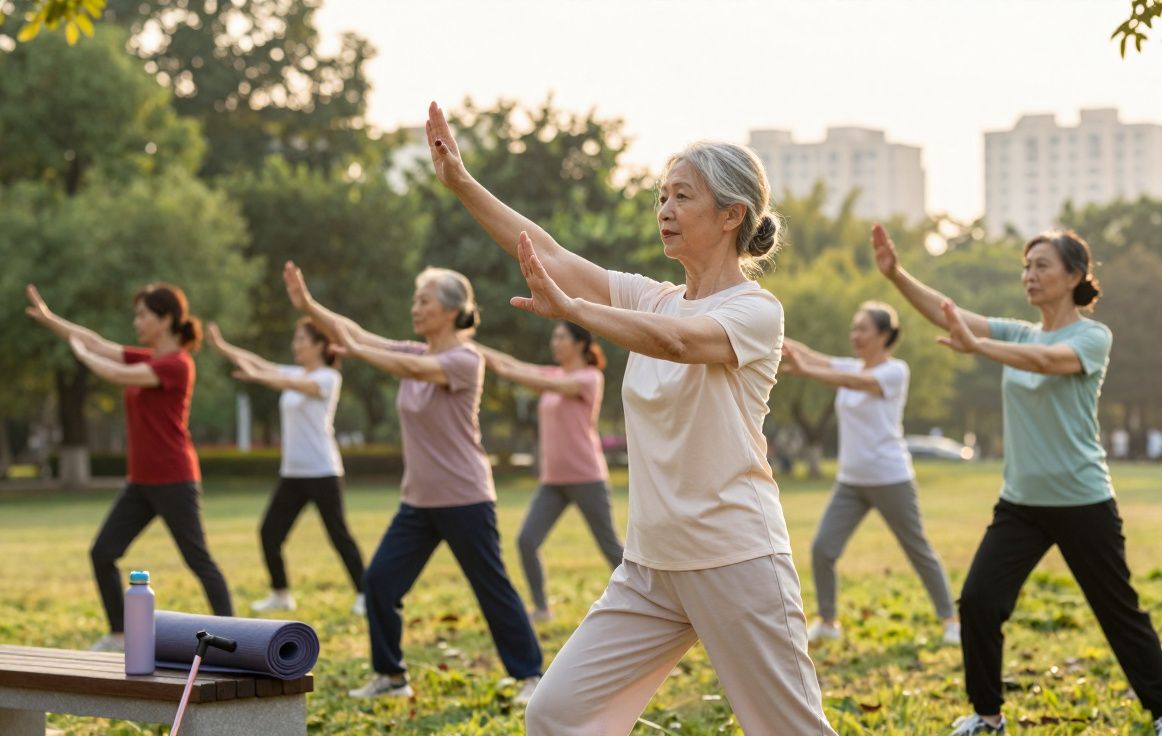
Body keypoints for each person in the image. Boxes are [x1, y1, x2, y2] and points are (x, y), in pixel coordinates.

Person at [424, 101, 837, 735]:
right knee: (557, 715)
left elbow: (676, 344)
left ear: (733, 216)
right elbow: (551, 256)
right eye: (662, 196)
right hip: (651, 565)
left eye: (683, 196)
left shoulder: (756, 311)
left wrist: (576, 311)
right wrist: (461, 184)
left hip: (735, 558)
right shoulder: (653, 297)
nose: (665, 210)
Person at [868, 225, 1162, 736]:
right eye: (1026, 266)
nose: (1029, 275)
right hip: (1022, 504)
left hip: (1083, 500)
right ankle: (988, 715)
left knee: (1118, 611)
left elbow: (1046, 362)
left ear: (1074, 276)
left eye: (1042, 266)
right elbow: (949, 312)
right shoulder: (1017, 332)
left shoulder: (1091, 336)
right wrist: (896, 274)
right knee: (979, 602)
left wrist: (979, 348)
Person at [281, 261, 542, 704]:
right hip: (418, 502)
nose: (415, 308)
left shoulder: (465, 359)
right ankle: (391, 676)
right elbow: (356, 333)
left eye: (424, 301)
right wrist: (308, 305)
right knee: (380, 582)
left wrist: (358, 350)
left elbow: (407, 369)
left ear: (450, 310)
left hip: (465, 498)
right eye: (415, 300)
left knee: (491, 587)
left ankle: (531, 677)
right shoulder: (415, 351)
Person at [25, 283, 233, 651]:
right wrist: (50, 320)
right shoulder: (147, 359)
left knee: (198, 559)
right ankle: (120, 634)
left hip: (174, 479)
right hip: (141, 483)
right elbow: (96, 341)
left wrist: (81, 355)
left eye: (143, 315)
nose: (136, 321)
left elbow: (113, 371)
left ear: (166, 319)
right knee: (103, 552)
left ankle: (233, 637)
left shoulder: (177, 365)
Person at [781, 302, 959, 645]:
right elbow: (811, 355)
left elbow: (851, 380)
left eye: (863, 329)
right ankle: (829, 622)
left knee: (917, 549)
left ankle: (951, 619)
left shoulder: (895, 372)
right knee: (823, 549)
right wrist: (771, 336)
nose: (855, 335)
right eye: (854, 328)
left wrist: (809, 371)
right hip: (852, 481)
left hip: (891, 478)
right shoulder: (851, 365)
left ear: (883, 336)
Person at [207, 319, 367, 616]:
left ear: (320, 345)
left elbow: (289, 382)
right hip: (292, 473)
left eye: (302, 339)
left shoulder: (328, 377)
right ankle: (280, 593)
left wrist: (258, 376)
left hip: (323, 470)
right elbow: (260, 363)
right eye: (295, 339)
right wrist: (223, 347)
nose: (296, 345)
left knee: (338, 534)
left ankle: (364, 593)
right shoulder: (294, 372)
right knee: (269, 532)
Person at [477, 322, 624, 623]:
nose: (554, 343)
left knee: (610, 548)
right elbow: (513, 363)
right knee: (527, 540)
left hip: (587, 477)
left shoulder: (588, 378)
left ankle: (650, 601)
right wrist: (469, 345)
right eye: (553, 337)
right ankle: (542, 609)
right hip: (553, 480)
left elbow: (517, 372)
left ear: (581, 343)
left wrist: (506, 372)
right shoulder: (554, 374)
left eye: (561, 337)